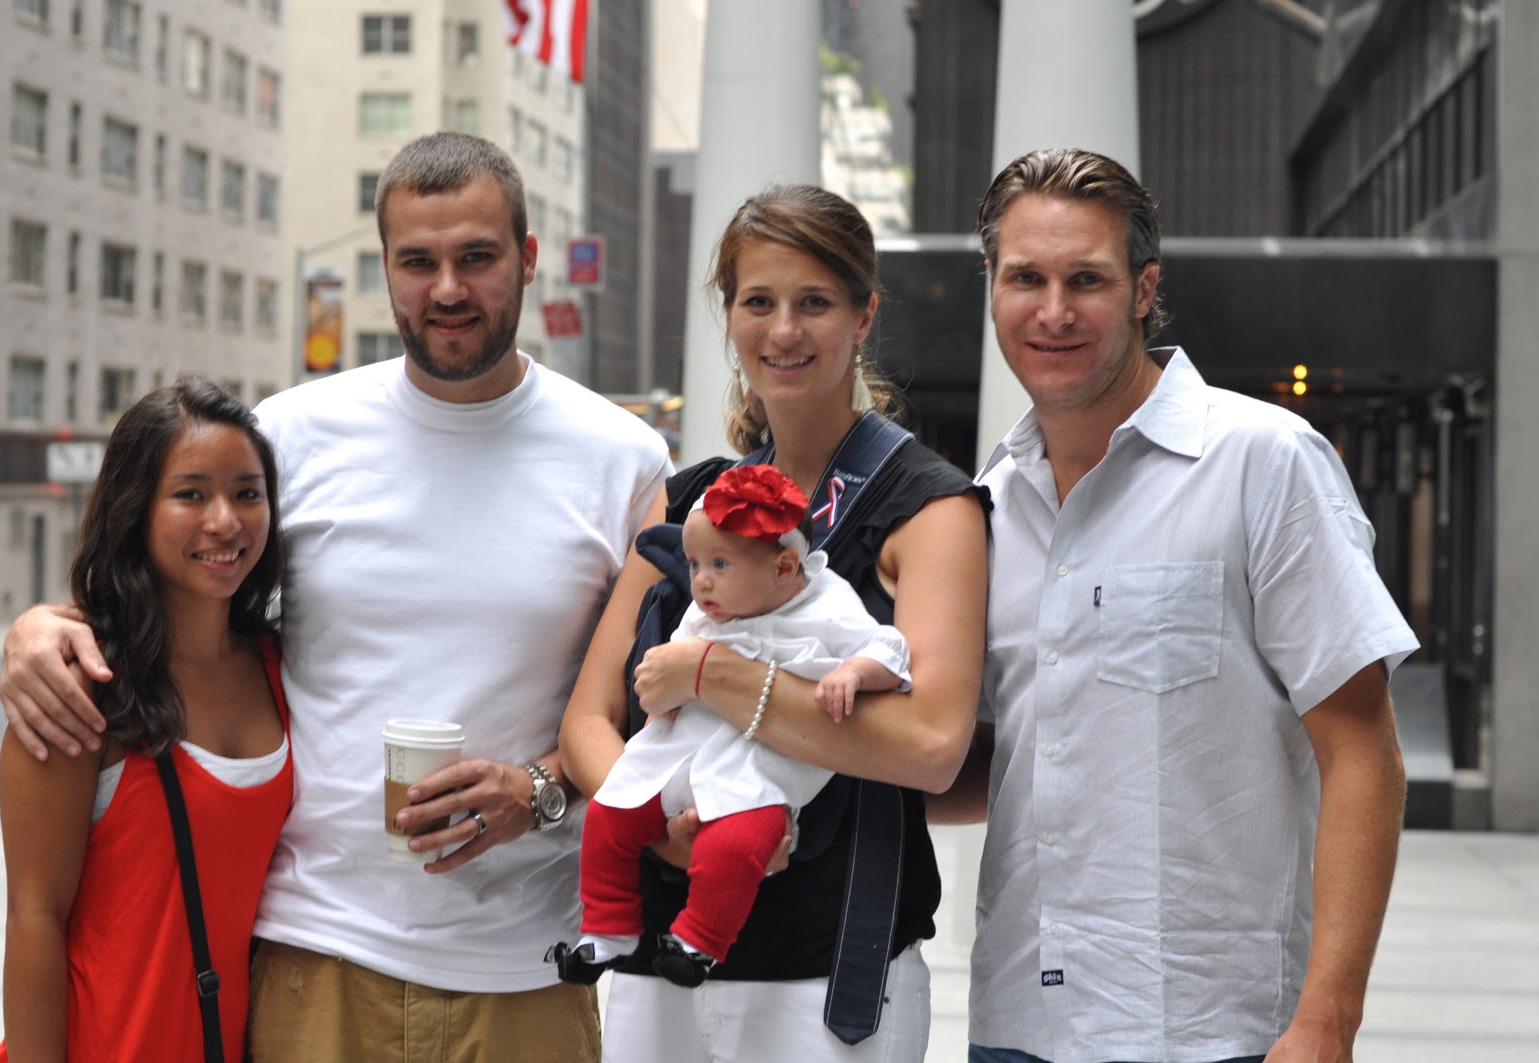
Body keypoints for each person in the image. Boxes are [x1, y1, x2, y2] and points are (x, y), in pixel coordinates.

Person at [0, 132, 671, 1062]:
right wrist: (43, 626)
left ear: (526, 258)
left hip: (526, 968)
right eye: (417, 261)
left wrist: (540, 789)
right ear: (384, 268)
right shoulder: (290, 434)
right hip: (314, 961)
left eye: (476, 257)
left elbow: (647, 707)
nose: (447, 289)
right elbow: (187, 582)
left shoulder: (625, 461)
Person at [956, 147, 1419, 1063]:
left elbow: (1363, 751)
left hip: (1212, 1030)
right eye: (1027, 278)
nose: (1054, 310)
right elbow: (989, 761)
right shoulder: (989, 502)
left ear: (1143, 288)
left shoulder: (1263, 462)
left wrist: (1329, 1019)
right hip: (1019, 1023)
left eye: (1087, 279)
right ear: (994, 288)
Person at [559, 183, 989, 1062]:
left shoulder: (928, 507)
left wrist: (712, 675)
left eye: (814, 303)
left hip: (828, 978)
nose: (784, 330)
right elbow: (587, 721)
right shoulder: (692, 501)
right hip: (654, 960)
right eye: (758, 302)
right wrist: (664, 823)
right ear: (729, 317)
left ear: (864, 315)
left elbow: (932, 745)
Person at [0, 378, 292, 1063]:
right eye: (191, 494)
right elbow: (33, 919)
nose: (226, 520)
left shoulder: (280, 669)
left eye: (248, 493)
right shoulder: (79, 688)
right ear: (136, 509)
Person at [551, 464, 912, 989]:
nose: (701, 580)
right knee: (608, 816)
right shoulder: (704, 613)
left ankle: (699, 942)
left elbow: (888, 648)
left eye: (719, 563)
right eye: (694, 563)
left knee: (737, 848)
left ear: (784, 566)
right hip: (680, 754)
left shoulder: (828, 604)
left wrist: (854, 672)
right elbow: (668, 665)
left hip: (759, 771)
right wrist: (659, 698)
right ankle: (607, 928)